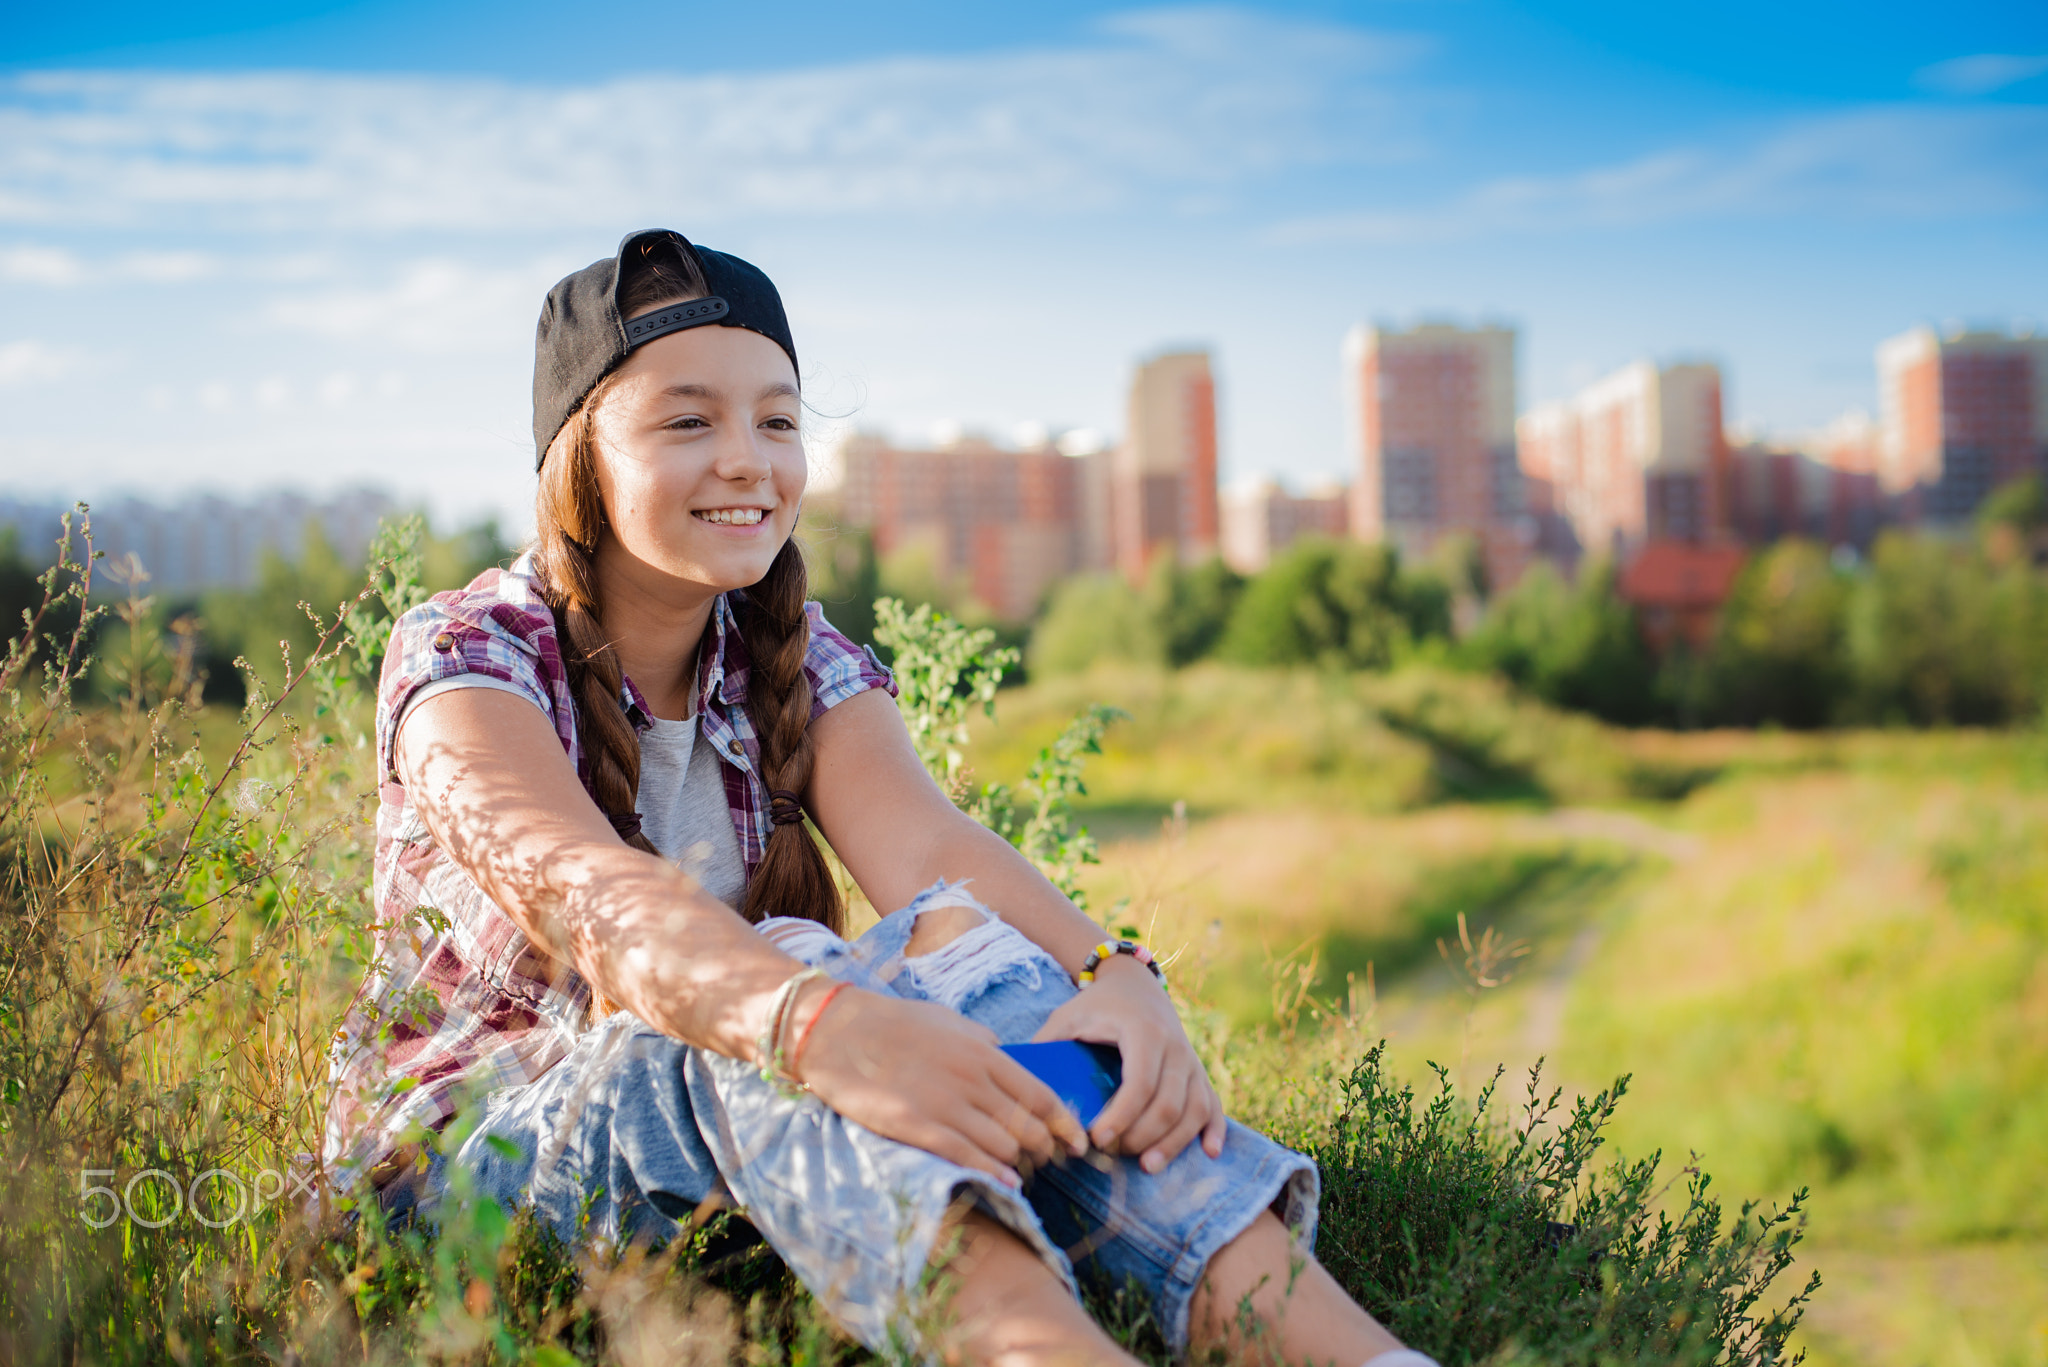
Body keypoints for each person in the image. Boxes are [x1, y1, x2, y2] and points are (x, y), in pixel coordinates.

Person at [324, 228, 1436, 1367]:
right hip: (464, 1172)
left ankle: (1359, 1355)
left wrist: (1121, 981)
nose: (749, 459)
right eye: (687, 420)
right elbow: (589, 897)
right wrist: (822, 1021)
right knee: (788, 967)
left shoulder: (790, 654)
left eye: (776, 418)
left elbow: (936, 850)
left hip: (743, 1138)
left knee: (977, 958)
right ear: (578, 460)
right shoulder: (469, 656)